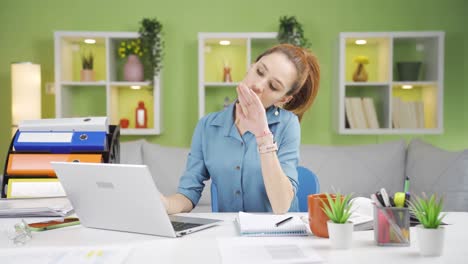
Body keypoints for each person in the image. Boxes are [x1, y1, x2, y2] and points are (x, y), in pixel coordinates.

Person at [162, 43, 320, 214]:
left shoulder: (288, 124)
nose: (258, 85)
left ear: (283, 99)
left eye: (274, 86)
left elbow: (281, 206)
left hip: (278, 233)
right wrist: (164, 204)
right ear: (251, 66)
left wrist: (262, 134)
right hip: (229, 235)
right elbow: (188, 192)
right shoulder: (207, 126)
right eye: (259, 71)